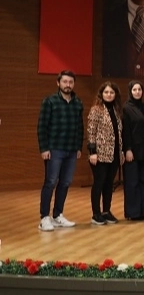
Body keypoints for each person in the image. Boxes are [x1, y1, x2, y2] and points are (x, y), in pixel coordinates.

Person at [37, 70, 83, 231]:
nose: (68, 85)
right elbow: (42, 126)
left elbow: (80, 127)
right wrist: (44, 148)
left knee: (65, 182)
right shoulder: (49, 101)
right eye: (65, 82)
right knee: (50, 182)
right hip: (54, 149)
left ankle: (57, 215)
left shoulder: (78, 103)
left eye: (70, 82)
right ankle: (44, 217)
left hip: (71, 149)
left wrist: (78, 147)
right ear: (58, 83)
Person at [87, 82, 124, 226]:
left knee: (109, 184)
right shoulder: (96, 110)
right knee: (99, 182)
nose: (109, 95)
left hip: (114, 153)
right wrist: (92, 152)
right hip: (100, 154)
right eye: (106, 92)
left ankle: (106, 211)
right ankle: (96, 213)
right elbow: (91, 131)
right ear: (101, 94)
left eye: (112, 92)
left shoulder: (116, 110)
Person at [122, 80, 144, 221]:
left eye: (139, 89)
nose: (137, 92)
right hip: (132, 151)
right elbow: (126, 131)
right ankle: (132, 213)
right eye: (134, 89)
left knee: (143, 181)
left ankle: (141, 212)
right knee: (132, 182)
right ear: (130, 91)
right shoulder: (125, 108)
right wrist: (128, 149)